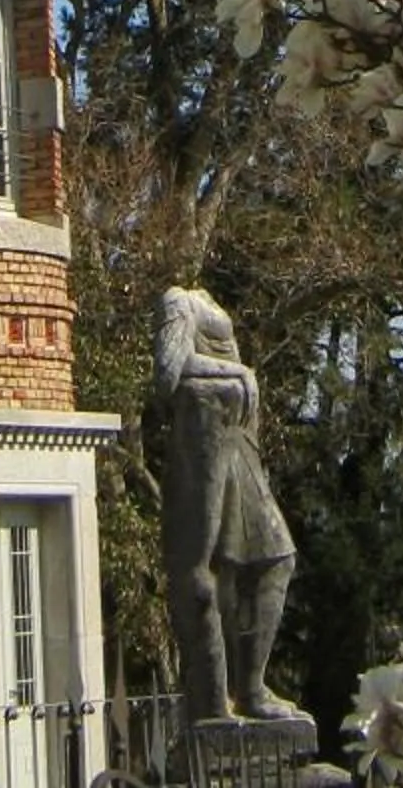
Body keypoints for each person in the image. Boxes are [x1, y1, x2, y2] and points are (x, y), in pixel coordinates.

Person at [153, 285, 299, 726]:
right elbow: (168, 372)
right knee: (207, 569)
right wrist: (236, 374)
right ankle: (214, 700)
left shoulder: (207, 297)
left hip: (237, 439)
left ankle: (252, 689)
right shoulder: (177, 299)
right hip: (206, 433)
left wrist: (239, 377)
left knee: (277, 558)